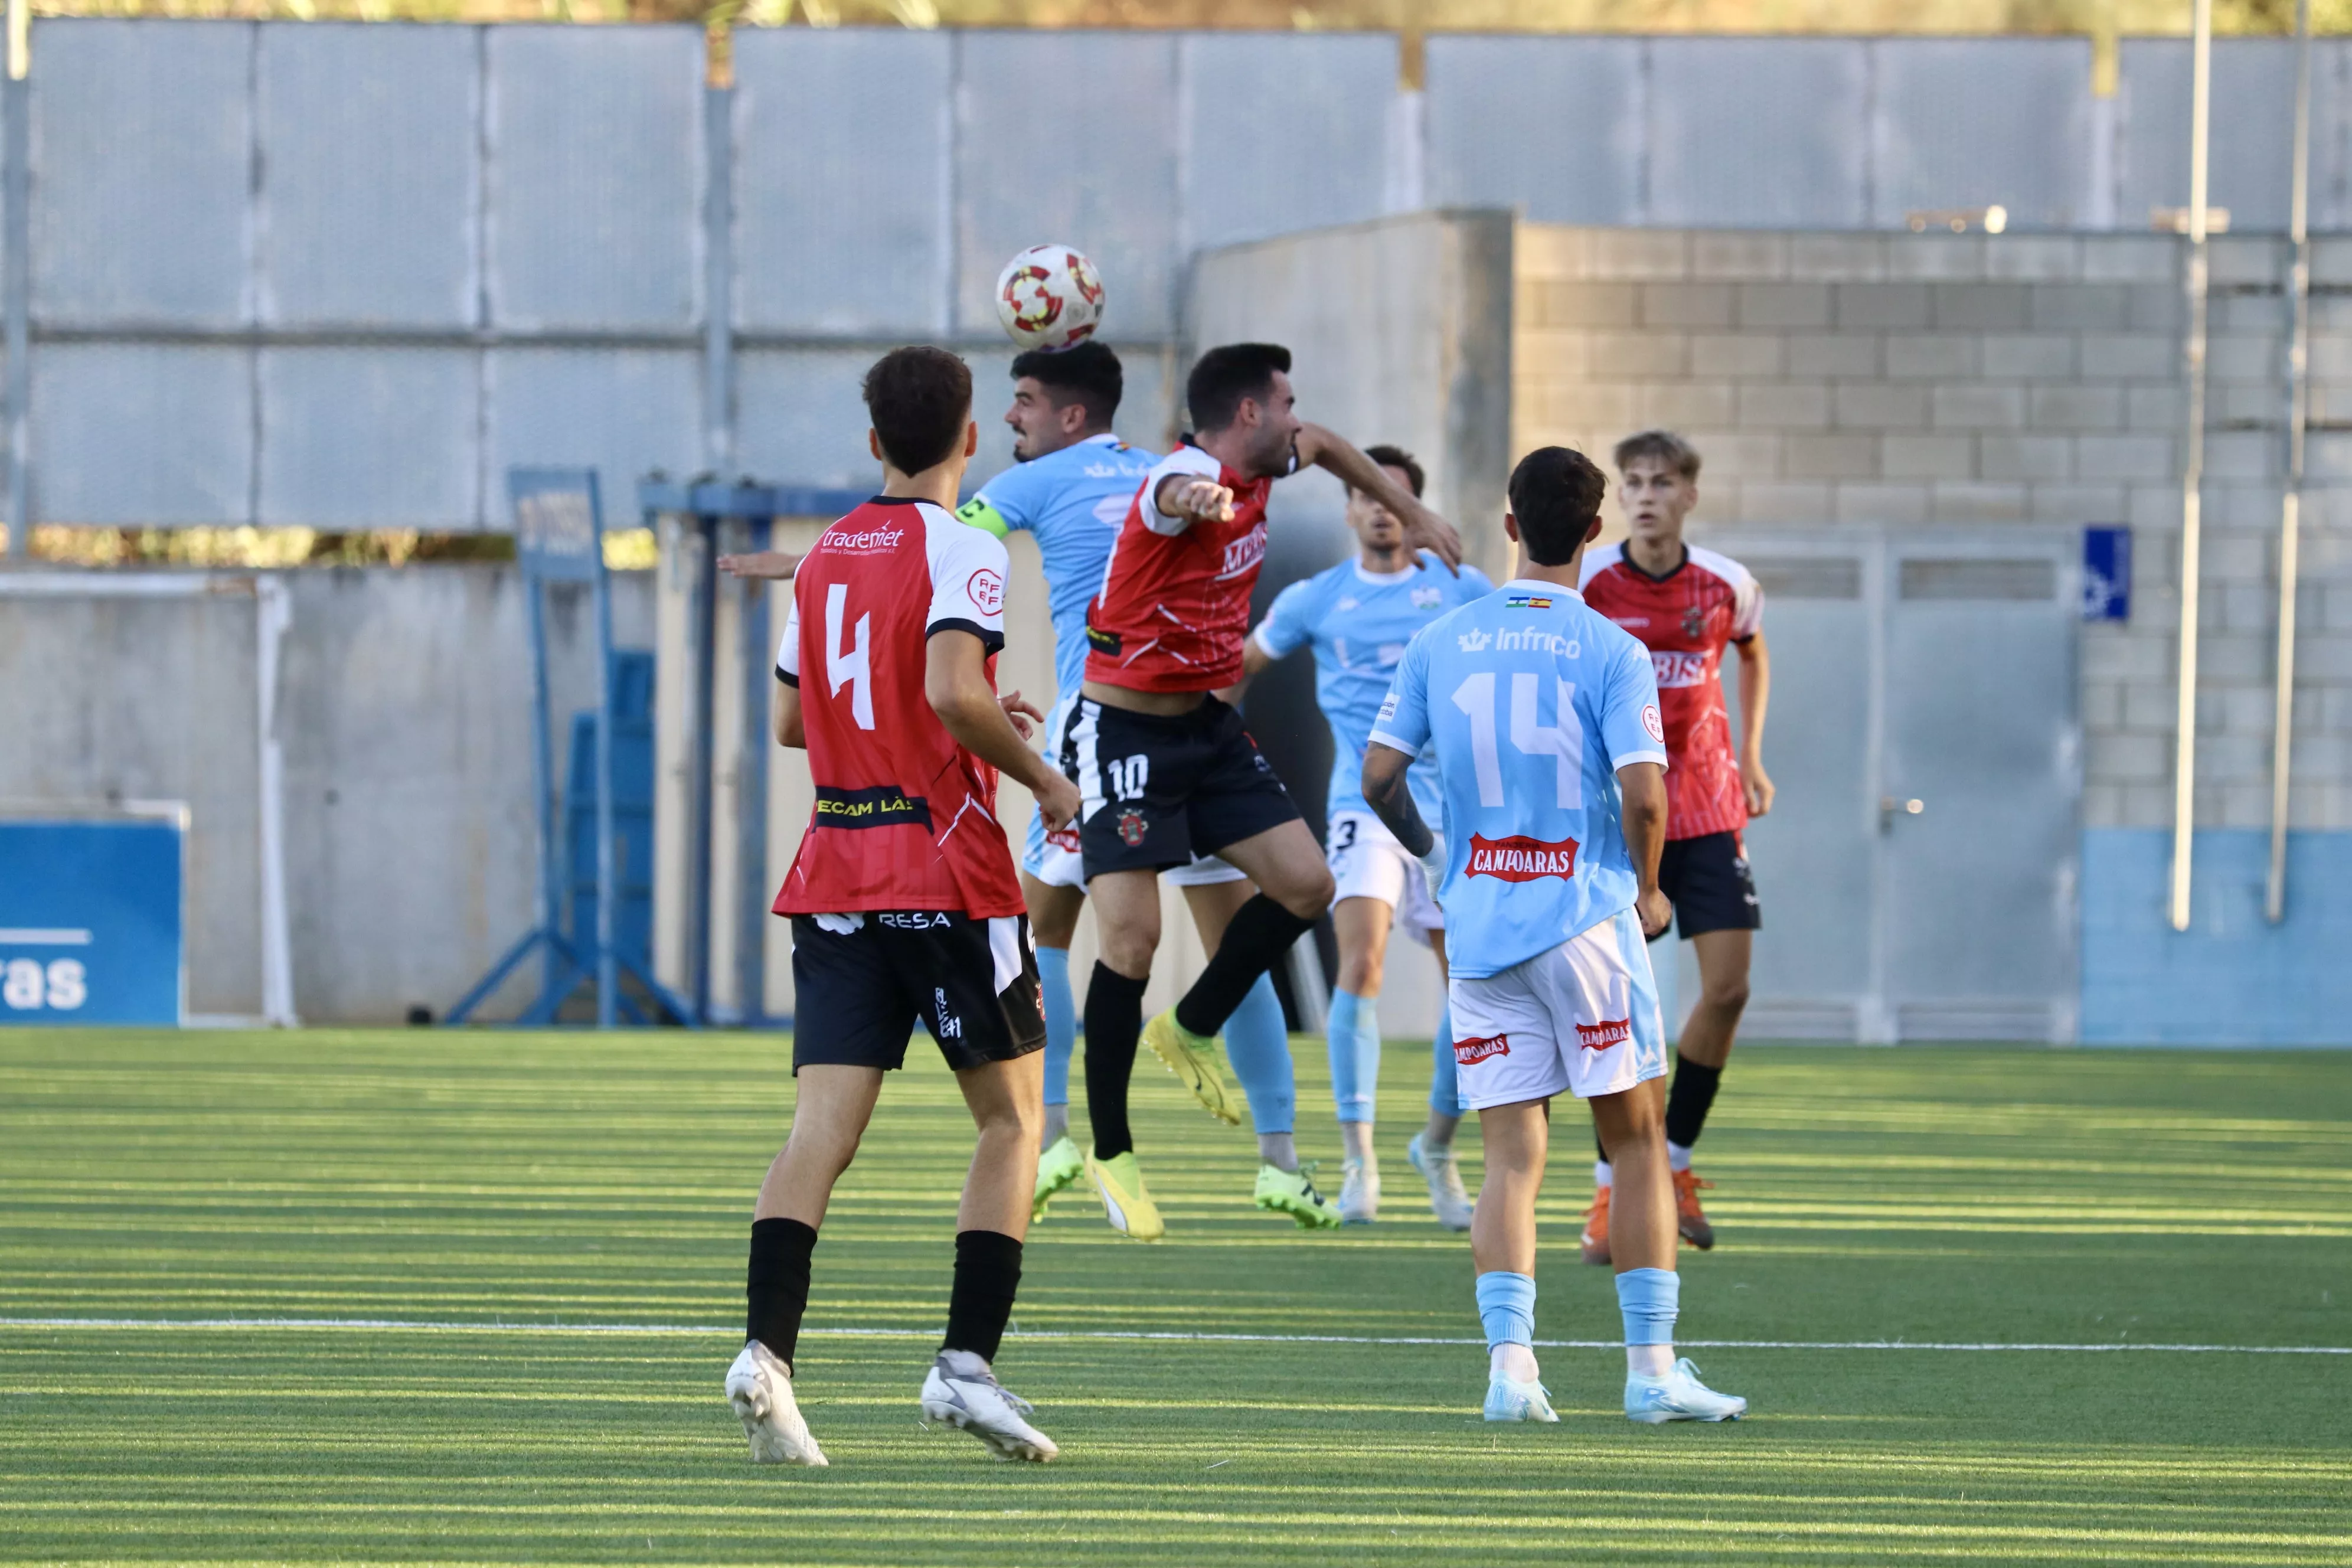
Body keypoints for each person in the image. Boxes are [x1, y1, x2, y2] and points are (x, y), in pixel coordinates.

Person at [724, 345, 1082, 1466]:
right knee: (1013, 1120)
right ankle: (964, 1369)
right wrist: (1044, 776)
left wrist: (966, 708)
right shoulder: (964, 545)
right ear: (969, 439)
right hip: (943, 864)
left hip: (834, 863)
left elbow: (794, 723)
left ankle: (765, 1356)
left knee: (818, 1132)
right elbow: (945, 691)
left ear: (872, 441)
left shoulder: (826, 553)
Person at [1360, 443, 1746, 1426]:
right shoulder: (1609, 646)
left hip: (1483, 927)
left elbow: (1376, 778)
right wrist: (1652, 892)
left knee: (1509, 1159)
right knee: (1638, 1139)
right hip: (1584, 920)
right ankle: (1653, 1372)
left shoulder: (1444, 639)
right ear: (1595, 532)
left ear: (1507, 525)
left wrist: (1440, 854)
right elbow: (1647, 798)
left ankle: (1510, 1369)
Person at [1072, 342, 1462, 1241]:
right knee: (1130, 944)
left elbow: (1325, 444)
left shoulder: (1275, 457)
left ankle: (1193, 1024)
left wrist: (1416, 509)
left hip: (1207, 729)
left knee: (1307, 885)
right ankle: (1113, 1152)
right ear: (1248, 413)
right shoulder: (1184, 476)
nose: (1298, 416)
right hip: (1125, 730)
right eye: (1285, 401)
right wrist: (1198, 497)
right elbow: (1171, 497)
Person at [947, 344, 1302, 1231]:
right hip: (1164, 725)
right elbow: (1202, 493)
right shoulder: (1165, 464)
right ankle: (1278, 1160)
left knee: (1044, 933)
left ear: (1070, 415)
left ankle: (1057, 1135)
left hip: (1103, 733)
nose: (1012, 418)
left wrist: (823, 564)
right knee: (1207, 935)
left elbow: (936, 547)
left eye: (1023, 400)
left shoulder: (1032, 484)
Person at [1236, 444, 1492, 1226]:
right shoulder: (1319, 599)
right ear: (1349, 509)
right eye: (1367, 496)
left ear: (1413, 511)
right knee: (1363, 961)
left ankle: (1439, 1149)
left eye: (1397, 497)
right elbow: (1238, 665)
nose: (1382, 509)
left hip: (1452, 810)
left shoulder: (1460, 590)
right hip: (1362, 804)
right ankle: (1360, 1163)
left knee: (1470, 982)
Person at [1575, 430, 1772, 1263]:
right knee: (1622, 1009)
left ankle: (1677, 1164)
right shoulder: (1589, 583)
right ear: (1619, 497)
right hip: (1620, 820)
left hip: (1709, 810)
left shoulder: (1726, 584)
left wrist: (1753, 755)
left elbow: (1754, 655)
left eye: (1662, 482)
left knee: (1727, 990)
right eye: (1634, 483)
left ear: (1689, 494)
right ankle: (1610, 1189)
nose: (1647, 495)